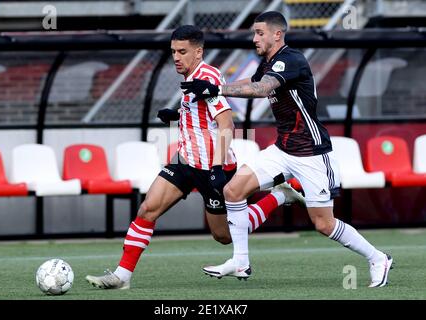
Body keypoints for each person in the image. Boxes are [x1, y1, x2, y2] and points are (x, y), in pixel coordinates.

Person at [181, 12, 393, 288]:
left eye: (259, 33)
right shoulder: (269, 61)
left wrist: (217, 88)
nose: (254, 38)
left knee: (323, 225)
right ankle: (241, 261)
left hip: (313, 153)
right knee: (232, 191)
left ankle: (378, 258)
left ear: (277, 34)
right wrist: (212, 89)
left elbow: (261, 89)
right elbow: (249, 83)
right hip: (282, 150)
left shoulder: (292, 59)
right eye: (253, 33)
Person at [85, 25, 305, 290]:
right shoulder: (190, 78)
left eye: (182, 51)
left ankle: (280, 195)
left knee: (224, 236)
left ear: (198, 51)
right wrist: (177, 115)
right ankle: (122, 276)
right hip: (185, 162)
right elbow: (201, 117)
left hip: (215, 167)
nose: (176, 57)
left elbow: (226, 126)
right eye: (173, 52)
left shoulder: (209, 77)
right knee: (147, 209)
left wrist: (215, 169)